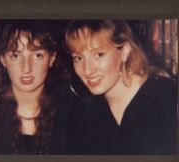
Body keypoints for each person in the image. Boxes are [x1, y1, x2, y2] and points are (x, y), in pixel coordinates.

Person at [65, 20, 178, 154]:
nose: (87, 70)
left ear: (124, 51)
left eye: (99, 55)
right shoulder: (86, 110)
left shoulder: (165, 94)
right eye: (78, 58)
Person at [0, 20, 70, 154]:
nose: (26, 68)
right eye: (15, 55)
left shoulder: (72, 114)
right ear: (3, 59)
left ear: (52, 58)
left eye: (38, 55)